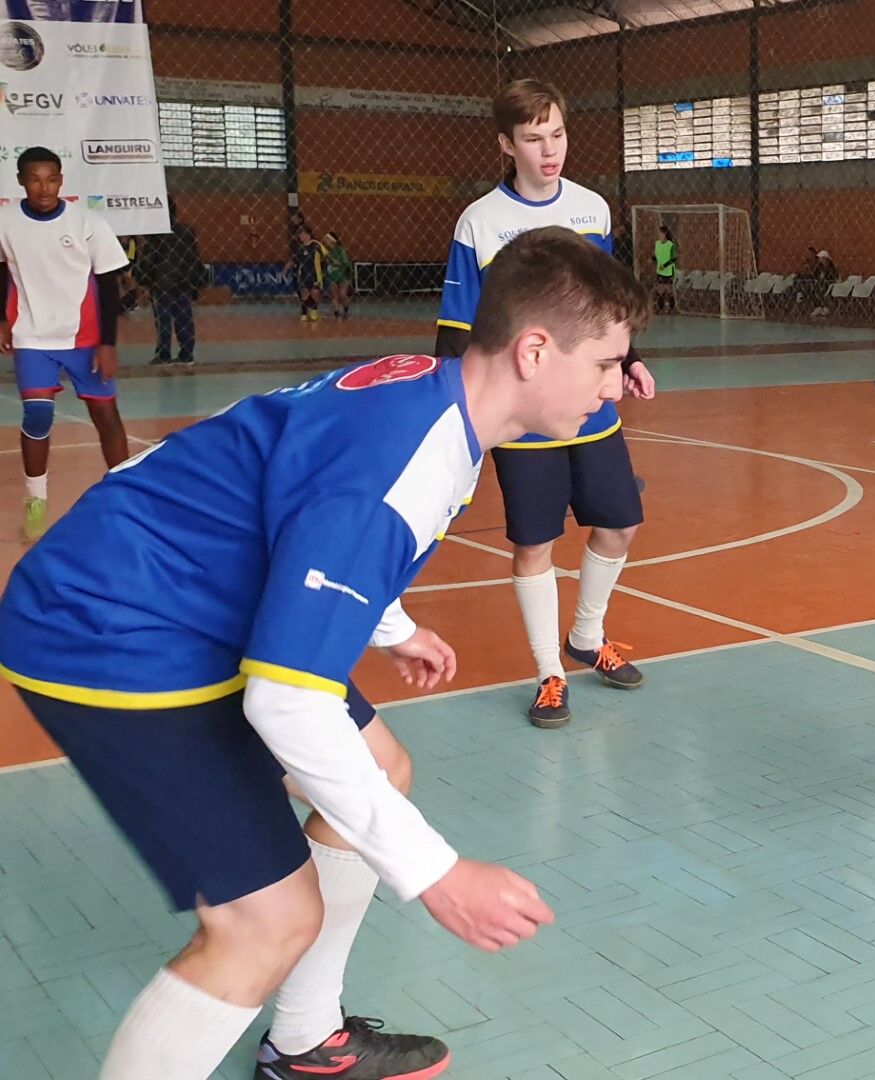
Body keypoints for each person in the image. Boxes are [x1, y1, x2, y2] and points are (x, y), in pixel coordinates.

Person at [0, 226, 648, 1080]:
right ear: (534, 351)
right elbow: (287, 700)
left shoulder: (433, 390)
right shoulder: (409, 461)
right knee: (266, 921)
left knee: (378, 771)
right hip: (111, 622)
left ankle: (305, 1040)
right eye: (607, 363)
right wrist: (436, 873)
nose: (619, 387)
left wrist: (390, 626)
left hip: (188, 590)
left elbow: (308, 504)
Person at [436, 79, 656, 728]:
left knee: (620, 522)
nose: (549, 148)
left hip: (590, 406)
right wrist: (456, 415)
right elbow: (456, 326)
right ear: (506, 143)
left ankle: (586, 637)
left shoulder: (592, 211)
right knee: (536, 542)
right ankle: (549, 673)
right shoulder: (479, 222)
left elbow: (609, 305)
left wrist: (631, 359)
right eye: (533, 138)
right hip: (521, 414)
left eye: (557, 133)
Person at [0, 147, 132, 540]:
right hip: (33, 337)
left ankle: (122, 496)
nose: (44, 187)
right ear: (22, 180)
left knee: (106, 418)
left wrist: (107, 343)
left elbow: (109, 286)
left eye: (52, 178)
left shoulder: (86, 222)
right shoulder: (5, 221)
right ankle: (36, 500)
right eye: (35, 179)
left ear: (61, 180)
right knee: (37, 417)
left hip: (85, 339)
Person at [135, 205, 207, 372]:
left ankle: (164, 354)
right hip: (183, 281)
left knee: (164, 320)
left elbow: (150, 258)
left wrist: (143, 276)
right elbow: (193, 257)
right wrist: (195, 280)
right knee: (185, 318)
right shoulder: (187, 231)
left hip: (162, 283)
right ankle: (187, 354)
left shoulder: (157, 234)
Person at [291, 226, 324, 323]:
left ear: (309, 235)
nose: (301, 236)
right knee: (304, 294)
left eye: (303, 234)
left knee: (315, 294)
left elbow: (325, 257)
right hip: (303, 275)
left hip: (315, 275)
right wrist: (287, 268)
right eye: (300, 234)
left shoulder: (316, 245)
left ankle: (314, 310)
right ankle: (304, 313)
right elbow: (294, 260)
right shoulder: (299, 248)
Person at [323, 231, 353, 320]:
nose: (326, 240)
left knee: (342, 294)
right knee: (334, 296)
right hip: (332, 275)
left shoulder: (340, 249)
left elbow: (344, 263)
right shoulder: (326, 251)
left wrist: (334, 261)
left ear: (333, 240)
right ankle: (336, 313)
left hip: (343, 275)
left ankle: (346, 311)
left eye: (327, 239)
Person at [653, 224, 678, 314]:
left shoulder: (670, 245)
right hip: (660, 270)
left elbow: (674, 258)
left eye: (660, 233)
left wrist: (665, 265)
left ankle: (672, 308)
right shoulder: (657, 243)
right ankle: (660, 308)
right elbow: (655, 255)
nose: (658, 234)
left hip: (668, 271)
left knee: (668, 289)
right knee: (659, 289)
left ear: (664, 234)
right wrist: (652, 259)